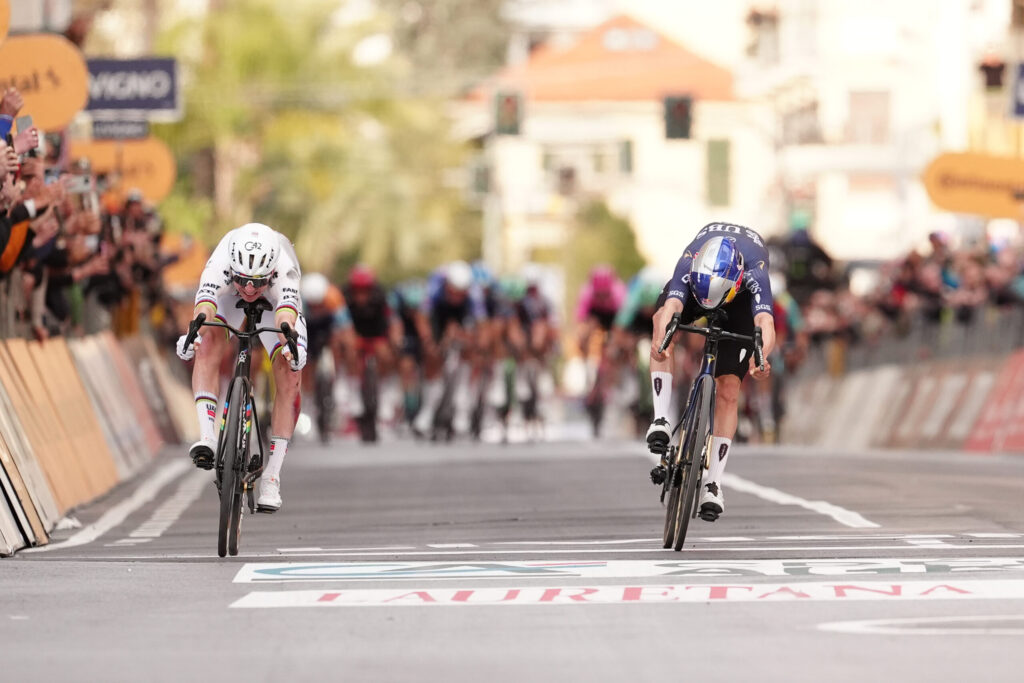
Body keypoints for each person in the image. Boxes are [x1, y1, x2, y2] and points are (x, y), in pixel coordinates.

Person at [646, 223, 776, 522]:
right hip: (699, 286)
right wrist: (661, 340)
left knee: (729, 388)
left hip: (738, 303)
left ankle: (713, 483)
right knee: (663, 331)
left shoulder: (755, 271)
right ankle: (661, 418)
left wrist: (761, 358)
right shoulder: (689, 262)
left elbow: (765, 325)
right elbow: (670, 308)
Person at [175, 222, 307, 513]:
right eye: (243, 279)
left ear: (270, 273)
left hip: (276, 305)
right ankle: (208, 438)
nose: (249, 288)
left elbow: (285, 316)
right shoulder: (221, 261)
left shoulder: (284, 270)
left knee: (289, 374)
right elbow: (206, 306)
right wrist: (192, 334)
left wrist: (293, 348)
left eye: (257, 281)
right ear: (232, 269)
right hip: (227, 299)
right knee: (206, 343)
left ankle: (272, 475)